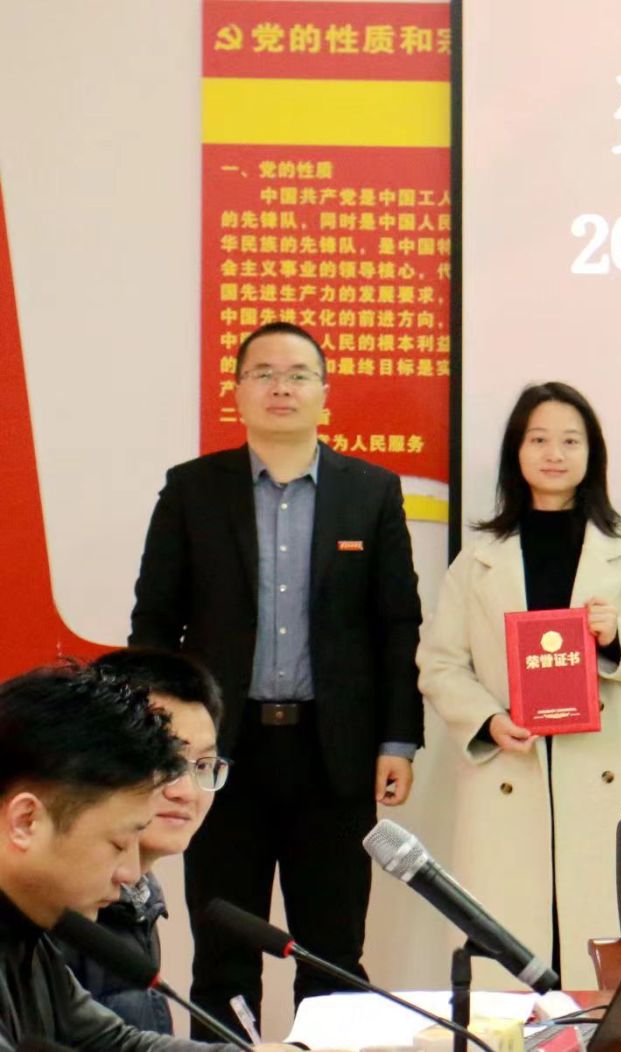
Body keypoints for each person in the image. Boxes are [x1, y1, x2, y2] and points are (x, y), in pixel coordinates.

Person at [128, 321, 424, 1024]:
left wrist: (398, 741)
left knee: (334, 953)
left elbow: (397, 626)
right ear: (237, 392)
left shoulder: (371, 491)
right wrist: (160, 741)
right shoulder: (192, 490)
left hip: (335, 755)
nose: (281, 387)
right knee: (222, 953)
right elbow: (154, 625)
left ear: (324, 393)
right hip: (220, 756)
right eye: (263, 373)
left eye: (297, 375)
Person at [418, 382, 621, 990]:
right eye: (538, 439)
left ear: (592, 454)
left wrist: (618, 638)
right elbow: (439, 663)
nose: (554, 454)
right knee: (508, 967)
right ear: (516, 453)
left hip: (603, 776)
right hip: (510, 773)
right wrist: (487, 720)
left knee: (604, 963)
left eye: (570, 441)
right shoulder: (480, 556)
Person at [0, 663, 236, 1052]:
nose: (129, 874)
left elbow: (114, 1043)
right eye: (118, 843)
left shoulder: (30, 934)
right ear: (26, 821)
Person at [59, 650, 227, 1034]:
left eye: (203, 766)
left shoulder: (141, 895)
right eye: (165, 761)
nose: (186, 791)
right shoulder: (57, 906)